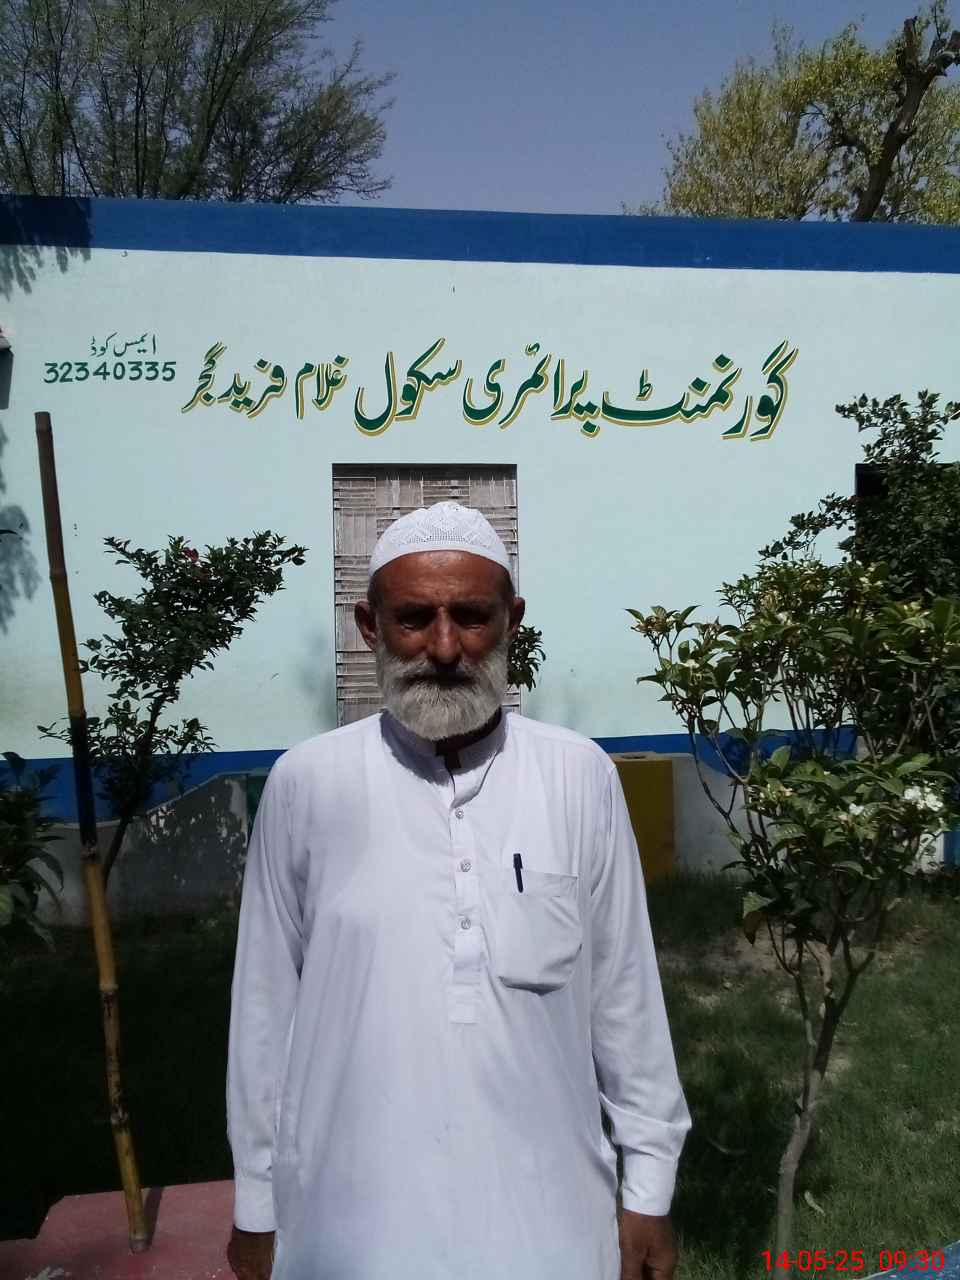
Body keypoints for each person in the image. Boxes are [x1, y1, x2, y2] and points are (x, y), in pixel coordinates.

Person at [225, 500, 691, 1280]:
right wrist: (255, 1203)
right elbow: (264, 1013)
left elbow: (625, 997)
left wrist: (650, 1187)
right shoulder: (308, 784)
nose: (444, 647)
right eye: (414, 619)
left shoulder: (578, 776)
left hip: (550, 1221)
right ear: (370, 626)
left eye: (471, 617)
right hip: (349, 1225)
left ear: (512, 621)